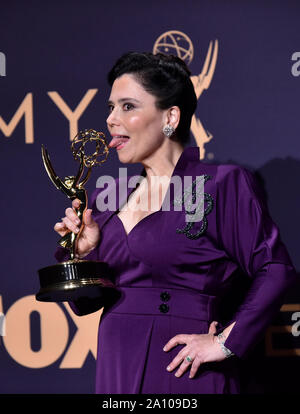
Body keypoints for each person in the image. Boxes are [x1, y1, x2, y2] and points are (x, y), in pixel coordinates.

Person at [54, 51, 298, 394]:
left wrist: (226, 341)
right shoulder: (108, 198)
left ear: (170, 116)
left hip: (182, 370)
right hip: (116, 365)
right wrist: (82, 254)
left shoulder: (222, 184)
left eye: (127, 106)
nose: (110, 119)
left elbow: (275, 269)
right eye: (110, 107)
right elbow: (85, 303)